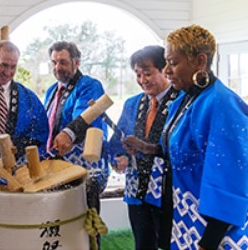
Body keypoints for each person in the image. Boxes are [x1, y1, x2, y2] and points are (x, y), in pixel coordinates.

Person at [124, 25, 248, 249]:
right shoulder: (185, 98)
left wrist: (208, 242)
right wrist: (147, 147)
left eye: (173, 62)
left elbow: (230, 178)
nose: (167, 70)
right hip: (185, 216)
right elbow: (183, 150)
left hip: (212, 228)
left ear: (200, 61)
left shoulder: (221, 104)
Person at [108, 45, 179, 250]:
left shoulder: (180, 101)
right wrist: (120, 158)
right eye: (138, 74)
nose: (142, 80)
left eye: (148, 73)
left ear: (165, 69)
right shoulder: (133, 103)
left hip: (168, 193)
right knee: (142, 244)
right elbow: (116, 142)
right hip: (136, 190)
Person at [44, 41, 108, 220]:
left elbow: (85, 118)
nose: (58, 67)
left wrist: (68, 133)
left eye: (63, 62)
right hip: (57, 167)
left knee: (86, 226)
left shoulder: (89, 85)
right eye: (54, 63)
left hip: (86, 169)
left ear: (76, 62)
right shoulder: (51, 91)